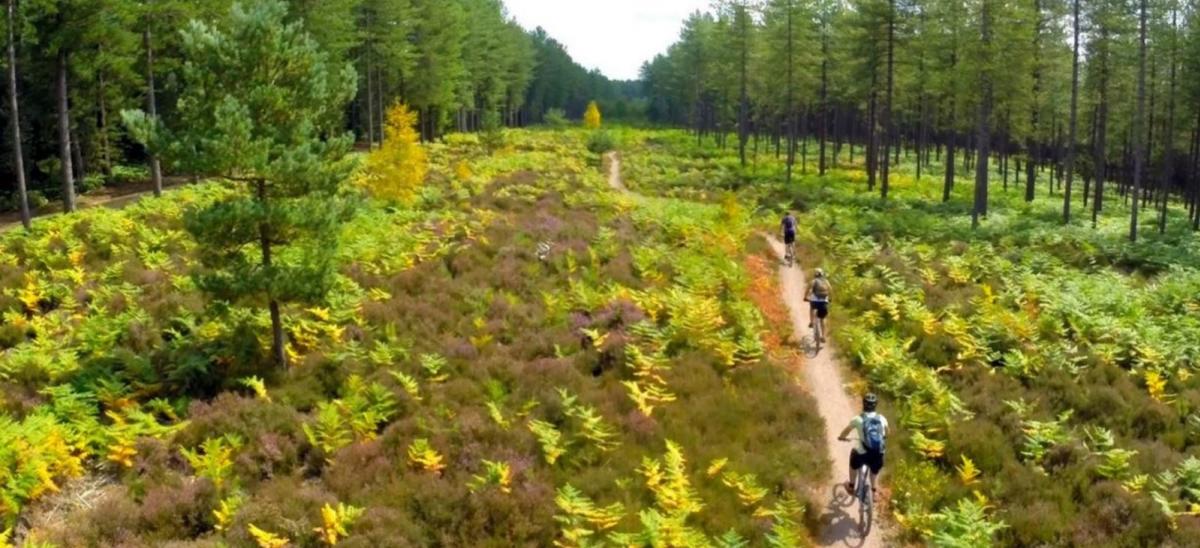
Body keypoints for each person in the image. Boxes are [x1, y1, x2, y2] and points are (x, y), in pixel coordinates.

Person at [838, 393, 888, 499]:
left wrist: (842, 437)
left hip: (862, 454)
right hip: (878, 453)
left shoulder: (858, 419)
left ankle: (851, 486)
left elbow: (846, 432)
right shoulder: (882, 419)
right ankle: (874, 492)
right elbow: (888, 432)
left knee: (853, 457)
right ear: (876, 405)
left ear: (863, 404)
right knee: (874, 470)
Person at [805, 268, 832, 341]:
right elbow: (830, 290)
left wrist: (805, 297)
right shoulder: (826, 281)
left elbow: (808, 289)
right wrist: (830, 299)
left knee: (811, 307)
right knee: (822, 319)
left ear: (815, 274)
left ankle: (811, 322)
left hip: (814, 301)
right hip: (824, 302)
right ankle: (823, 336)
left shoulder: (813, 281)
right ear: (822, 274)